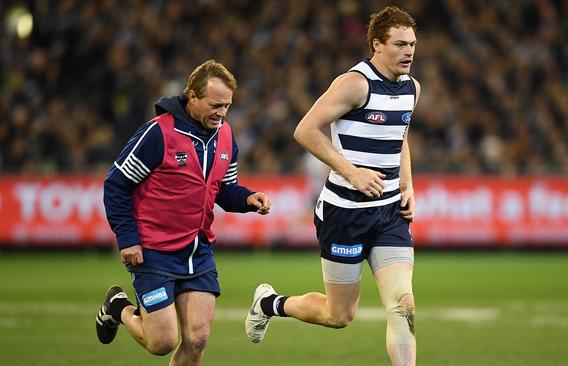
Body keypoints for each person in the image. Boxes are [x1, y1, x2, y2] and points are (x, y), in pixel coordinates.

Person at [245, 6, 419, 366]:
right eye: (400, 44)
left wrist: (408, 185)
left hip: (389, 214)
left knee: (403, 305)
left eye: (413, 44)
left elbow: (399, 135)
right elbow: (305, 129)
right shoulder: (355, 84)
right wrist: (352, 172)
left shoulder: (411, 88)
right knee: (339, 315)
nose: (409, 51)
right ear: (377, 45)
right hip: (345, 213)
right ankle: (269, 303)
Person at [97, 59, 271, 366]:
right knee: (162, 342)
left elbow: (224, 190)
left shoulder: (226, 136)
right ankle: (119, 309)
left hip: (197, 250)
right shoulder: (157, 134)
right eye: (215, 104)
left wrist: (247, 199)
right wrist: (127, 239)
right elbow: (116, 185)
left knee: (197, 339)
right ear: (192, 96)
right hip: (154, 250)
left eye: (227, 106)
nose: (222, 113)